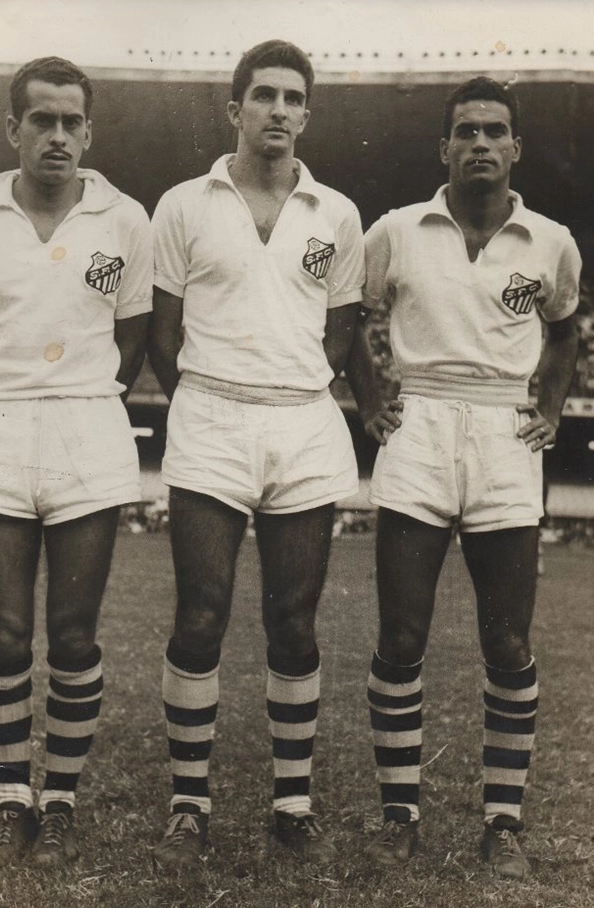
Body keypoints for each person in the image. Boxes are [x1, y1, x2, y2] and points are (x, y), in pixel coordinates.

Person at [346, 76, 580, 879]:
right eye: (466, 132)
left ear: (515, 147)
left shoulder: (550, 242)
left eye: (496, 131)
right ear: (444, 147)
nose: (481, 143)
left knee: (507, 639)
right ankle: (400, 814)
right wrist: (373, 399)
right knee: (402, 637)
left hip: (505, 434)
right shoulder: (397, 231)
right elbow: (352, 319)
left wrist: (549, 404)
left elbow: (564, 331)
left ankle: (503, 823)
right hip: (420, 426)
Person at [0, 57, 153, 867]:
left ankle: (58, 802)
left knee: (72, 633)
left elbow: (133, 338)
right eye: (42, 120)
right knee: (3, 634)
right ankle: (9, 798)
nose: (57, 136)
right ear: (13, 128)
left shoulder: (126, 219)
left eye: (71, 122)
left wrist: (83, 396)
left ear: (89, 131)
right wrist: (2, 395)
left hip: (87, 433)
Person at [148, 39, 364, 869]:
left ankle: (292, 804)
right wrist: (210, 399)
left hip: (303, 424)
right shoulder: (184, 204)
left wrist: (284, 390)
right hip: (210, 421)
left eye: (293, 97)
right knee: (201, 617)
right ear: (234, 109)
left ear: (308, 113)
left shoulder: (335, 215)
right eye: (263, 95)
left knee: (293, 621)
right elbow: (165, 338)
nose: (279, 110)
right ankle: (189, 804)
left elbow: (339, 338)